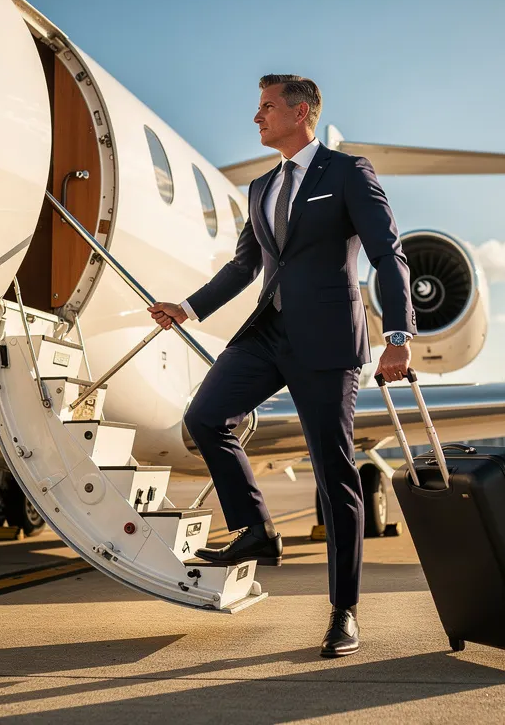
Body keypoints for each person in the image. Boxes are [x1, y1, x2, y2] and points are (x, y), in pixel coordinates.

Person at [148, 74, 415, 658]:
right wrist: (187, 309)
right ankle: (256, 529)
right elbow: (245, 266)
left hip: (327, 342)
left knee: (334, 473)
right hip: (268, 333)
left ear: (301, 113)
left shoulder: (347, 173)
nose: (256, 117)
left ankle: (344, 611)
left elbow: (385, 254)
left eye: (266, 107)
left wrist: (397, 335)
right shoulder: (262, 186)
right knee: (207, 416)